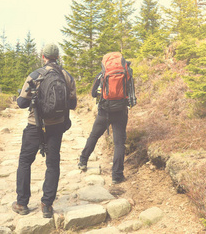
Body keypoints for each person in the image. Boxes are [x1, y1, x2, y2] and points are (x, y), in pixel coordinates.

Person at [12, 43, 77, 218]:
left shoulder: (35, 75)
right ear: (57, 57)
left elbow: (21, 103)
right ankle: (47, 205)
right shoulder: (66, 76)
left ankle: (21, 203)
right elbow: (73, 104)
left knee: (25, 161)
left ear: (43, 57)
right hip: (56, 126)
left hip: (35, 125)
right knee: (53, 163)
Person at [78, 53, 130, 185]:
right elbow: (130, 92)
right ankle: (117, 176)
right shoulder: (126, 73)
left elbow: (93, 93)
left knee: (94, 136)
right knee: (119, 143)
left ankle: (83, 161)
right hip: (121, 112)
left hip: (104, 112)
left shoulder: (102, 75)